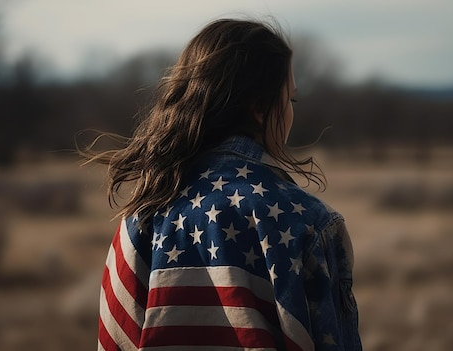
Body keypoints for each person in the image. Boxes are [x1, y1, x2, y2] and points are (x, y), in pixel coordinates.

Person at [85, 17, 362, 351]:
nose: (291, 112)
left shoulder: (143, 215)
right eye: (290, 99)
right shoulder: (306, 221)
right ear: (260, 107)